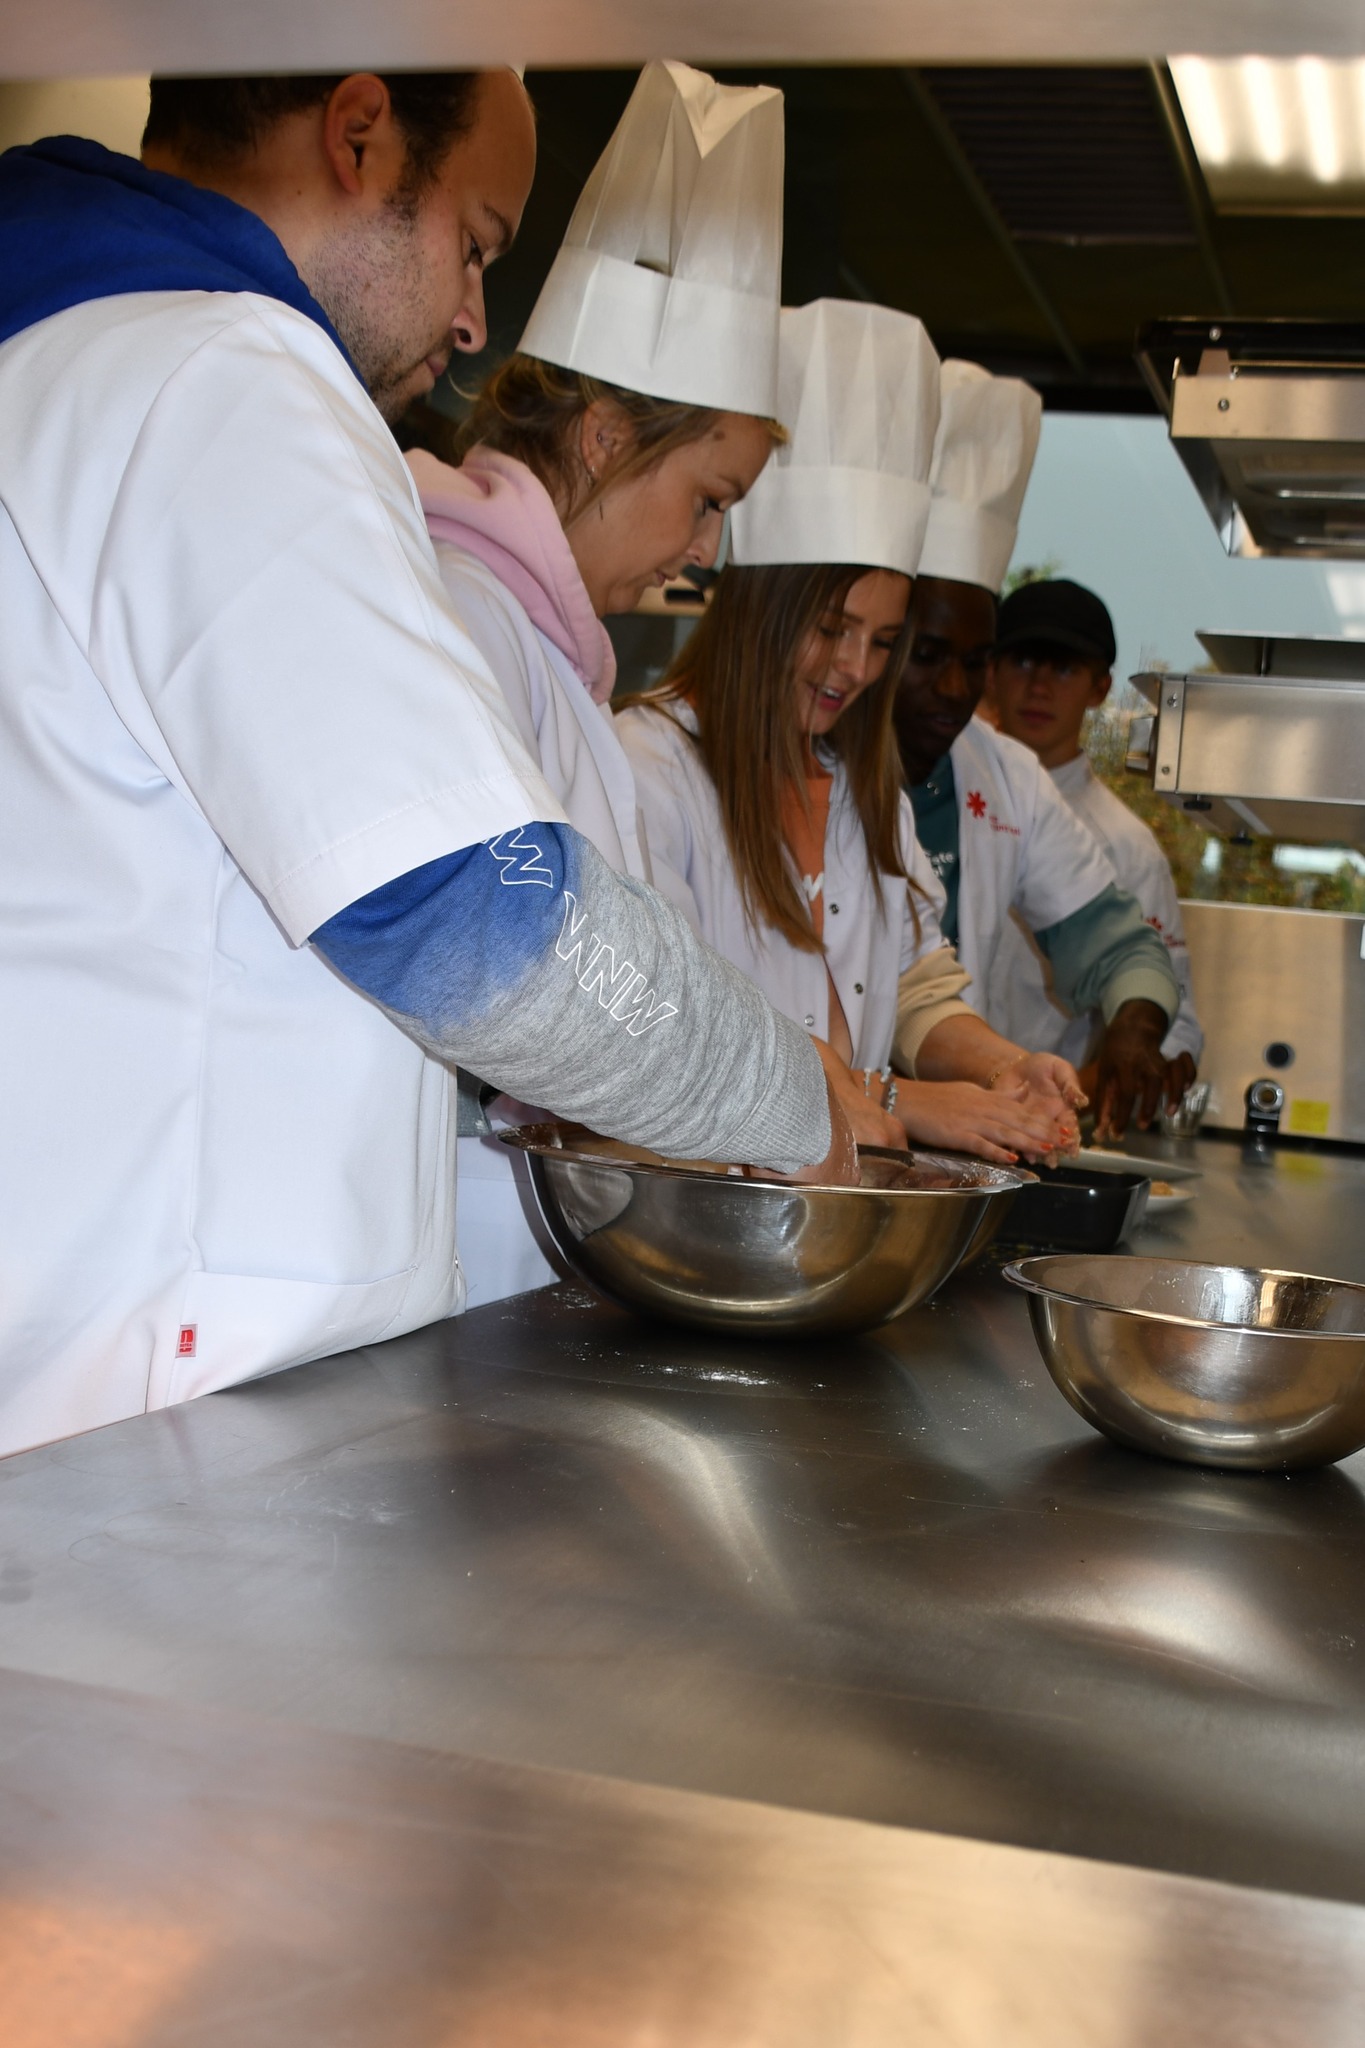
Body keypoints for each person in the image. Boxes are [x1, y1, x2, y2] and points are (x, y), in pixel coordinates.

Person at [0, 69, 845, 1458]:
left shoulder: (59, 353)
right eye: (476, 242)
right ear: (358, 134)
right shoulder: (226, 373)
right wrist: (789, 1101)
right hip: (164, 1400)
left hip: (91, 1351)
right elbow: (466, 908)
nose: (470, 321)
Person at [406, 64, 787, 1302]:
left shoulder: (552, 653)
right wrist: (771, 1092)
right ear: (607, 437)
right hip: (457, 1249)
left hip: (518, 1257)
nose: (705, 549)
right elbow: (518, 947)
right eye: (707, 500)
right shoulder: (466, 615)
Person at [618, 299, 1084, 1166]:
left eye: (880, 640)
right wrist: (900, 1098)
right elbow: (663, 1020)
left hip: (829, 1208)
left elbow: (911, 986)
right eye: (831, 628)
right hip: (689, 1204)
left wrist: (1003, 1068)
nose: (854, 669)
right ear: (759, 609)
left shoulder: (861, 794)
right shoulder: (647, 769)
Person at [894, 361, 1182, 1141]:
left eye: (973, 660)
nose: (953, 690)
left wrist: (1131, 1025)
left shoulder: (1002, 774)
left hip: (954, 1138)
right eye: (924, 655)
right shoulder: (807, 770)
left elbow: (1118, 947)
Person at [986, 576, 1203, 1095]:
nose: (1039, 687)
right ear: (990, 671)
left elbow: (1172, 1027)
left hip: (1043, 1119)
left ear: (1100, 689)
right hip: (912, 1100)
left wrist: (1059, 1099)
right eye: (1023, 662)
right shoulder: (941, 801)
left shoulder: (1128, 847)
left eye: (1064, 669)